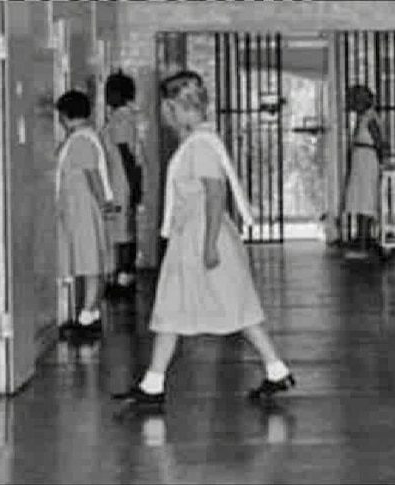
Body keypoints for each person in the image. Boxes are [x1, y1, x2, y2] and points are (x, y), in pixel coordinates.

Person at [112, 71, 295, 407]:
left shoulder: (200, 146)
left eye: (166, 109)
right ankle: (155, 381)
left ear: (175, 108)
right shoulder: (199, 142)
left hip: (202, 235)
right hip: (194, 234)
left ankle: (274, 367)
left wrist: (209, 245)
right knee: (184, 305)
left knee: (224, 304)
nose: (164, 116)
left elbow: (214, 194)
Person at [55, 90, 114, 333]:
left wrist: (102, 205)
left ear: (66, 115)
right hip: (82, 207)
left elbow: (92, 176)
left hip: (84, 208)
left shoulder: (80, 140)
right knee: (88, 260)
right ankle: (90, 311)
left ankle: (88, 314)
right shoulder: (83, 137)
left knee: (90, 262)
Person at [102, 71, 142, 293]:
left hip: (121, 182)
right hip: (121, 181)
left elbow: (127, 156)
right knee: (124, 228)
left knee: (123, 231)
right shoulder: (124, 117)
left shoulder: (121, 119)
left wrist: (134, 187)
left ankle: (124, 276)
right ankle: (123, 275)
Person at [342, 85, 388, 259]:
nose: (354, 103)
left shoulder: (370, 118)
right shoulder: (363, 118)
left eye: (357, 99)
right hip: (362, 161)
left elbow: (379, 143)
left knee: (365, 203)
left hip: (368, 162)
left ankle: (363, 246)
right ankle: (362, 240)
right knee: (359, 201)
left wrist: (382, 164)